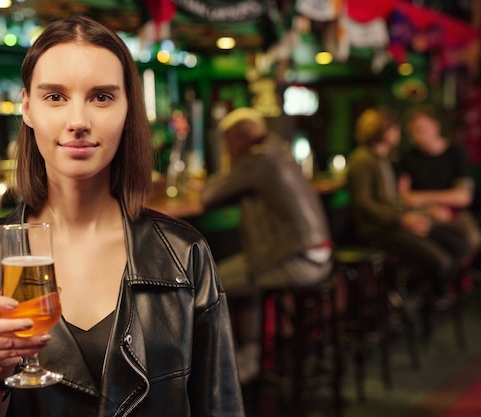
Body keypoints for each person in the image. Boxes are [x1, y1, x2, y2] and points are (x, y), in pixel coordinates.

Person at [0, 16, 245, 417]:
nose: (78, 121)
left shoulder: (184, 255)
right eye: (55, 97)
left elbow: (221, 407)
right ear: (26, 107)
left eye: (101, 97)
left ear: (129, 108)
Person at [199, 107, 333, 382]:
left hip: (297, 261)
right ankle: (249, 359)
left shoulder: (259, 160)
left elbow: (209, 195)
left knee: (206, 285)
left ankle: (222, 369)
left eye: (226, 141)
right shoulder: (276, 152)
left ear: (239, 138)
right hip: (314, 256)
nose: (225, 148)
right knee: (248, 277)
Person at [346, 107, 467, 299]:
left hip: (393, 223)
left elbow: (395, 199)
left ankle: (416, 298)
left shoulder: (383, 159)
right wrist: (401, 220)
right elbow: (363, 204)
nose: (399, 134)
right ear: (383, 131)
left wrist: (414, 214)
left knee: (457, 246)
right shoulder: (363, 160)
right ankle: (400, 291)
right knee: (440, 260)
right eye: (395, 129)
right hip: (379, 229)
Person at [398, 105, 481, 261]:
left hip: (454, 213)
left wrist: (424, 197)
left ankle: (459, 280)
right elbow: (404, 196)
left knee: (473, 239)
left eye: (422, 129)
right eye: (413, 131)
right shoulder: (408, 157)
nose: (418, 135)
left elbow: (463, 196)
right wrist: (430, 207)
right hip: (422, 212)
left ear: (436, 126)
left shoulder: (456, 154)